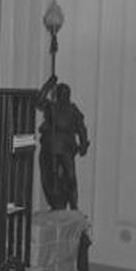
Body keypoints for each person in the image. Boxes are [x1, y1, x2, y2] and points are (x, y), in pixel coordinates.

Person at [36, 74, 90, 210]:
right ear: (58, 95)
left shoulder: (72, 110)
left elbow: (81, 127)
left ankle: (73, 206)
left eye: (66, 94)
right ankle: (56, 204)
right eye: (62, 93)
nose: (64, 96)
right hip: (51, 147)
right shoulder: (51, 107)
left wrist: (83, 143)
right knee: (51, 177)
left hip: (66, 148)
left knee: (70, 177)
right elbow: (39, 101)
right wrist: (48, 84)